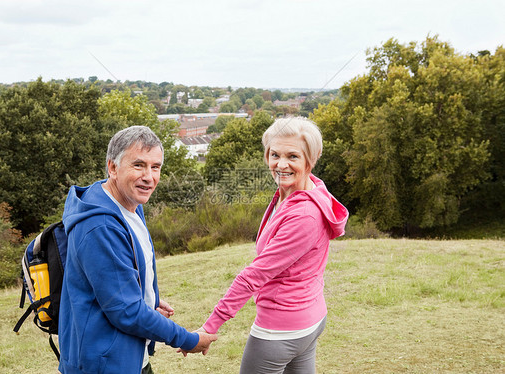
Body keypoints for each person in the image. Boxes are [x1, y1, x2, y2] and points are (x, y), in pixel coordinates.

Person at [58, 126, 217, 374]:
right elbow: (127, 311)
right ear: (113, 168)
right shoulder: (100, 226)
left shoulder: (129, 203)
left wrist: (147, 296)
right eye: (139, 165)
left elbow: (122, 280)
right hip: (103, 364)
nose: (149, 177)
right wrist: (189, 340)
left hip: (130, 357)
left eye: (156, 167)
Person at [200, 117, 348, 373]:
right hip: (308, 319)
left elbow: (253, 276)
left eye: (293, 156)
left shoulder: (304, 215)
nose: (281, 164)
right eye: (274, 154)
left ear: (312, 158)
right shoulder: (304, 190)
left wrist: (209, 327)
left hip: (281, 329)